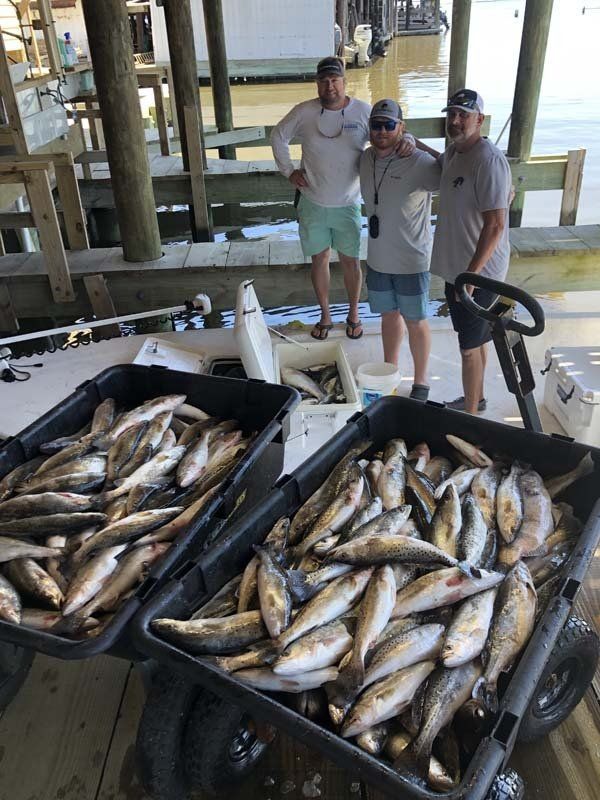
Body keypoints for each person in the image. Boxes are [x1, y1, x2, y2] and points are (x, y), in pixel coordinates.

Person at [271, 57, 413, 341]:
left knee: (351, 262)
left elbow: (388, 133)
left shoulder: (362, 111)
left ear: (345, 82)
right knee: (319, 259)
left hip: (349, 203)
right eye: (324, 81)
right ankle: (325, 315)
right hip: (312, 201)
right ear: (317, 84)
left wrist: (406, 137)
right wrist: (288, 171)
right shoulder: (304, 111)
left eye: (335, 81)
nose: (329, 86)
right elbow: (277, 136)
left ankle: (354, 314)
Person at [418, 89, 512, 414]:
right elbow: (439, 165)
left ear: (479, 120)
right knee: (478, 340)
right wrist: (409, 142)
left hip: (478, 275)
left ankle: (470, 420)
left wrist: (471, 276)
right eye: (452, 114)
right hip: (457, 269)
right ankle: (479, 398)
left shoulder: (488, 159)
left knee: (469, 348)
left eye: (463, 115)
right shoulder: (456, 152)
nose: (455, 121)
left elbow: (497, 225)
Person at [359, 99, 441, 401]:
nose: (382, 131)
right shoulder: (365, 158)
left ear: (401, 127)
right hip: (379, 258)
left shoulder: (419, 160)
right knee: (388, 316)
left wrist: (415, 141)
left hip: (412, 260)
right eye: (376, 124)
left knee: (416, 321)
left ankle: (420, 382)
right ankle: (390, 372)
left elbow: (455, 171)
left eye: (389, 125)